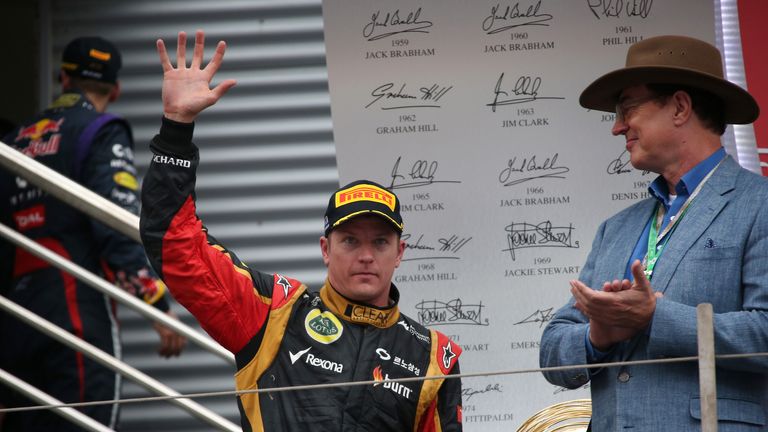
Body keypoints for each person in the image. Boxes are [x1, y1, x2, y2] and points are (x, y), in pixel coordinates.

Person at [139, 30, 463, 431]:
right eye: (350, 240)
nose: (366, 255)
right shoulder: (273, 312)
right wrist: (176, 130)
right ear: (326, 249)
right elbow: (176, 248)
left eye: (380, 241)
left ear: (400, 252)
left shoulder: (433, 357)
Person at [539, 35, 767, 430]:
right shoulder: (616, 228)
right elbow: (553, 348)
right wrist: (598, 336)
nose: (617, 127)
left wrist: (655, 317)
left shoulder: (759, 204)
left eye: (627, 108)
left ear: (680, 107)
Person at [0, 36, 187, 431]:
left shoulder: (12, 142)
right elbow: (115, 222)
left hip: (13, 319)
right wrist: (155, 305)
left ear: (63, 78)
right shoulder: (101, 130)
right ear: (116, 89)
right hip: (74, 311)